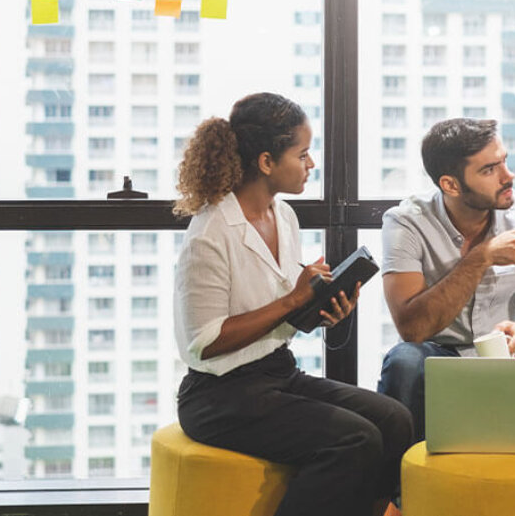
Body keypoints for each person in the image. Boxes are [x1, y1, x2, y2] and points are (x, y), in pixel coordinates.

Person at [173, 92, 413, 516]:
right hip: (219, 396)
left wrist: (319, 310)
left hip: (277, 374)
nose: (311, 164)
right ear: (266, 162)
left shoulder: (284, 216)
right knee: (355, 438)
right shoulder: (210, 232)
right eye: (302, 154)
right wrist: (295, 299)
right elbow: (203, 344)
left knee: (393, 419)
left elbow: (279, 314)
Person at [377, 117, 515, 446]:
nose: (509, 176)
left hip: (514, 357)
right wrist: (481, 258)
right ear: (451, 185)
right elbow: (413, 329)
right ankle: (394, 490)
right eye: (489, 170)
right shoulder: (406, 223)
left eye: (504, 161)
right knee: (404, 360)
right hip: (441, 359)